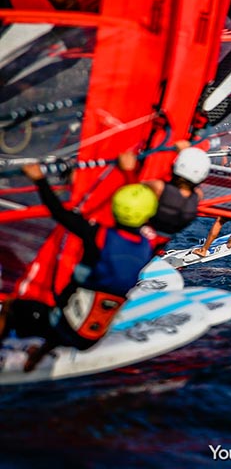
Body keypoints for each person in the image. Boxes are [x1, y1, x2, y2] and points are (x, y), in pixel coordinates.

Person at [0, 166, 157, 371]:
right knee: (72, 303)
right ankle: (37, 357)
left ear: (114, 208)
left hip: (63, 324)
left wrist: (39, 179)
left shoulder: (99, 237)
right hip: (91, 335)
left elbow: (58, 212)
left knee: (12, 304)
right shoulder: (146, 247)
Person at [118, 143, 211, 245]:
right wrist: (185, 155)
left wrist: (128, 170)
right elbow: (190, 180)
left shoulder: (159, 188)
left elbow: (134, 190)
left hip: (139, 237)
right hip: (160, 243)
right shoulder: (197, 196)